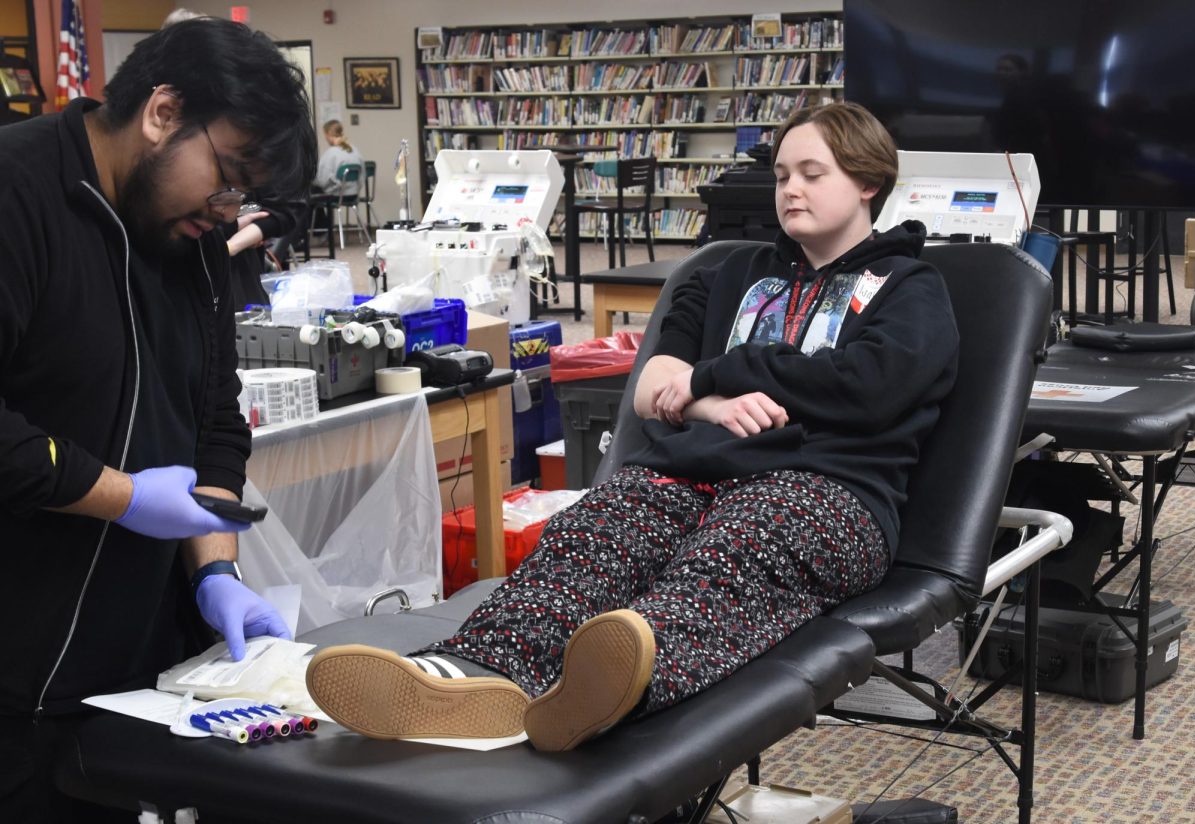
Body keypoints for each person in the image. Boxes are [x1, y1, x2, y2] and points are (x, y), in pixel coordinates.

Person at [306, 101, 960, 752]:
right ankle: (469, 678)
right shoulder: (725, 276)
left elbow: (870, 390)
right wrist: (712, 404)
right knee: (593, 532)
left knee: (728, 558)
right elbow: (653, 389)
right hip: (698, 467)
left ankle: (608, 692)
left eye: (812, 173)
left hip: (831, 490)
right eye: (784, 173)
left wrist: (719, 373)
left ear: (868, 181)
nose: (790, 189)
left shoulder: (909, 288)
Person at [0, 17, 316, 821]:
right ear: (163, 112)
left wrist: (214, 568)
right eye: (228, 174)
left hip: (144, 676)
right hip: (20, 677)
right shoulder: (17, 193)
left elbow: (214, 418)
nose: (228, 209)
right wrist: (125, 496)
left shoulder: (191, 239)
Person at [314, 119, 364, 196]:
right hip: (354, 194)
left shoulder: (331, 153)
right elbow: (362, 175)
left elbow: (322, 181)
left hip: (336, 195)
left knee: (311, 190)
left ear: (328, 134)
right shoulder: (355, 150)